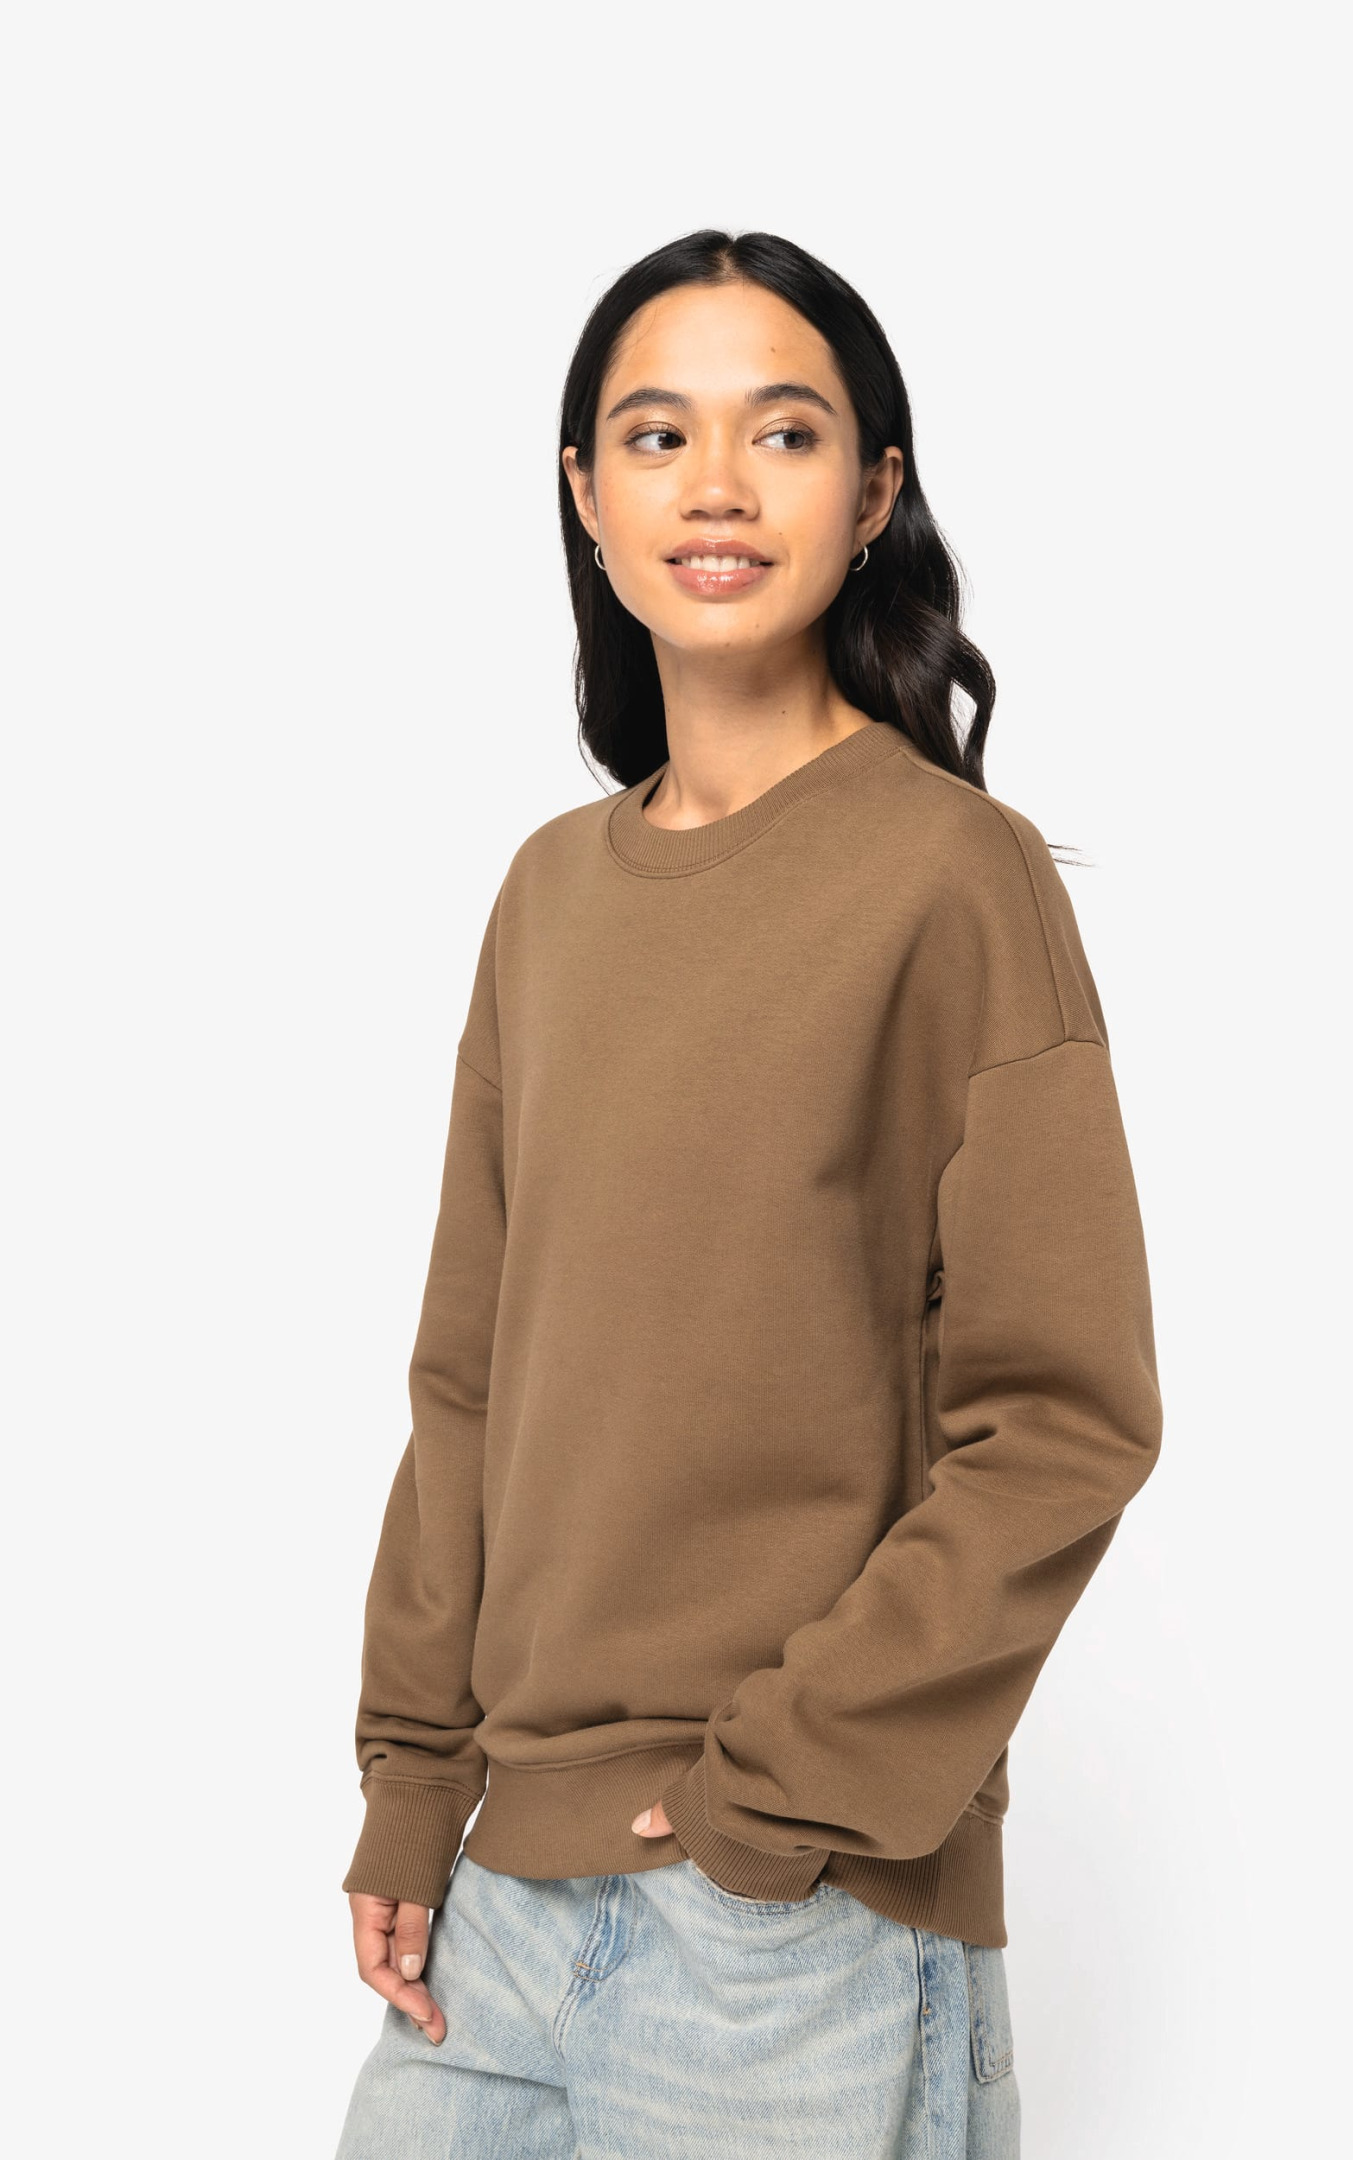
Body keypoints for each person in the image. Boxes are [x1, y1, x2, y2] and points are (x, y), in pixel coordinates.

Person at [332, 228, 1163, 2160]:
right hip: (498, 1899)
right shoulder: (550, 894)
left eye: (783, 433)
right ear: (585, 493)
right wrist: (411, 1786)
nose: (716, 485)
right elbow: (470, 1383)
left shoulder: (952, 881)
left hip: (790, 1921)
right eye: (657, 435)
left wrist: (777, 1791)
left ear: (872, 494)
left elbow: (1065, 1417)